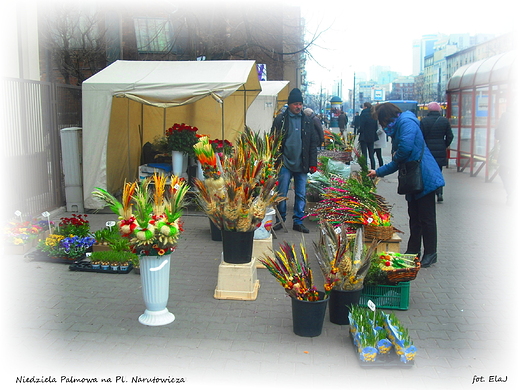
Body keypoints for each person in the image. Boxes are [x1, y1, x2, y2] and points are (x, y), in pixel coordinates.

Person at [368, 102, 445, 268]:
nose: (382, 126)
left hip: (424, 177)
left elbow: (404, 150)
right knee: (415, 217)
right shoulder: (401, 125)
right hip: (413, 177)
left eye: (382, 122)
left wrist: (395, 155)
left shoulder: (406, 123)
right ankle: (413, 250)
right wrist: (378, 172)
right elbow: (399, 158)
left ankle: (430, 253)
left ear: (387, 117)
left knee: (427, 218)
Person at [271, 88, 318, 234]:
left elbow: (312, 143)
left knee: (301, 194)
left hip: (302, 164)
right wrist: (275, 160)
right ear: (289, 104)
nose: (298, 107)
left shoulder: (307, 121)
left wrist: (313, 163)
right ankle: (281, 220)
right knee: (282, 193)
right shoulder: (280, 120)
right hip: (285, 163)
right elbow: (273, 141)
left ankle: (298, 221)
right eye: (295, 104)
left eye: (300, 104)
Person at [420, 102, 453, 202]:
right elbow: (450, 136)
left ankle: (430, 192)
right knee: (439, 171)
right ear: (439, 110)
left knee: (429, 172)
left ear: (428, 110)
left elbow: (420, 137)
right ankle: (439, 193)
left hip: (428, 151)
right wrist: (444, 145)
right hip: (440, 150)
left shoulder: (424, 121)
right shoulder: (444, 121)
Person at [358, 102, 379, 169]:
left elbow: (362, 126)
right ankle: (373, 169)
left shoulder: (363, 113)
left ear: (365, 107)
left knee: (364, 154)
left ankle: (365, 169)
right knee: (371, 154)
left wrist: (359, 131)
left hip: (364, 137)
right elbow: (376, 127)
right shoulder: (373, 113)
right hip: (372, 137)